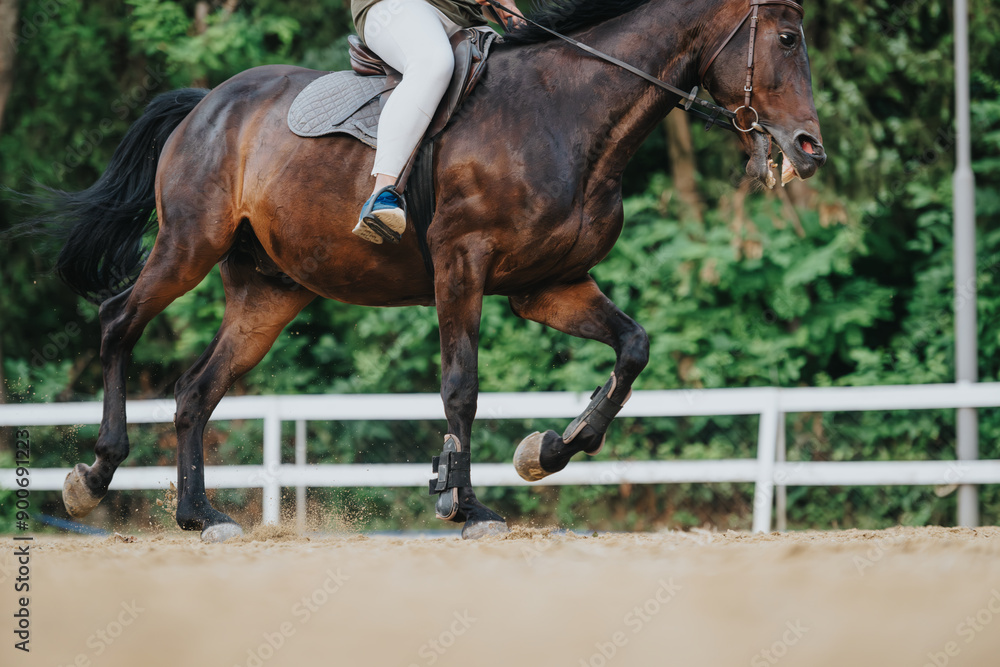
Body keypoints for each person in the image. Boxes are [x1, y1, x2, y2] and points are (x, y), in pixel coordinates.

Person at [350, 0, 523, 244]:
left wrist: (505, 9)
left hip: (463, 19)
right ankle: (382, 193)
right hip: (395, 7)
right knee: (433, 62)